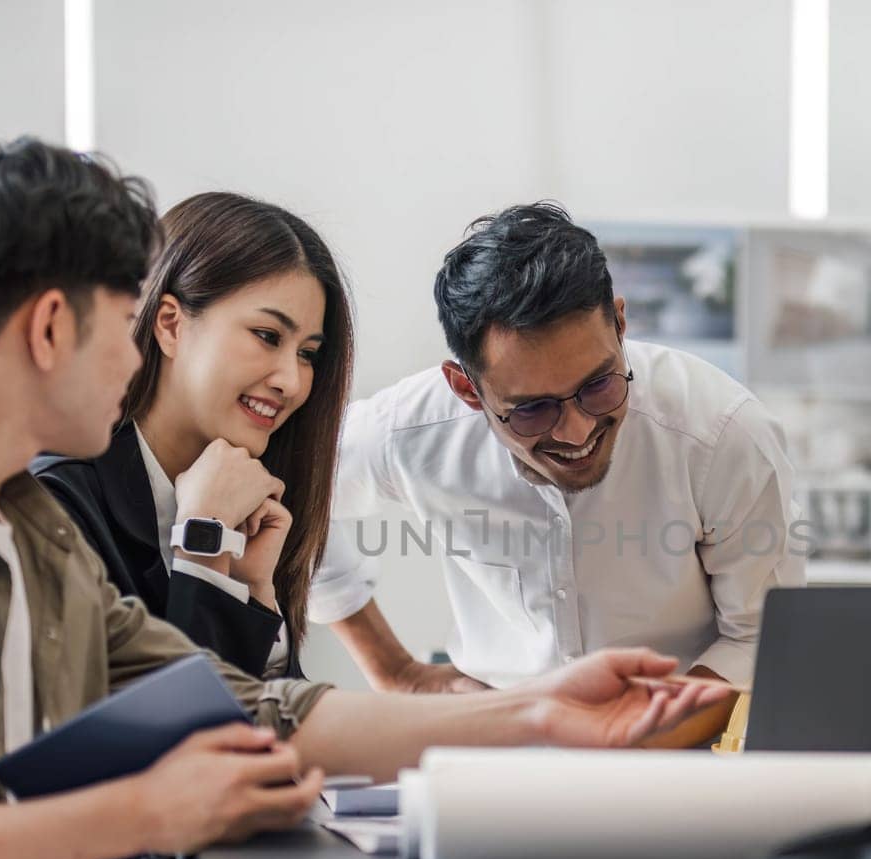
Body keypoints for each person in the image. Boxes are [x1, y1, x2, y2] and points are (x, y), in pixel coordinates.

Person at [0, 140, 726, 859]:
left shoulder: (33, 534)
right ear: (48, 329)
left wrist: (538, 710)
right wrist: (143, 809)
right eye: (126, 321)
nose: (133, 352)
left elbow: (239, 701)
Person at [311, 202, 805, 747]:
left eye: (599, 386)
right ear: (467, 390)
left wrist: (626, 751)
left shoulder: (724, 436)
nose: (575, 432)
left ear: (619, 324)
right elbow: (292, 491)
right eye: (532, 409)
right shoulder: (412, 430)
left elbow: (758, 638)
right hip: (496, 749)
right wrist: (395, 672)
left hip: (681, 752)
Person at [34, 192, 350, 679]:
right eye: (267, 336)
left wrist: (254, 594)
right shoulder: (57, 502)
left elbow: (271, 731)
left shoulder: (257, 506)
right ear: (170, 324)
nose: (291, 380)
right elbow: (154, 733)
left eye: (308, 353)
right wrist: (205, 545)